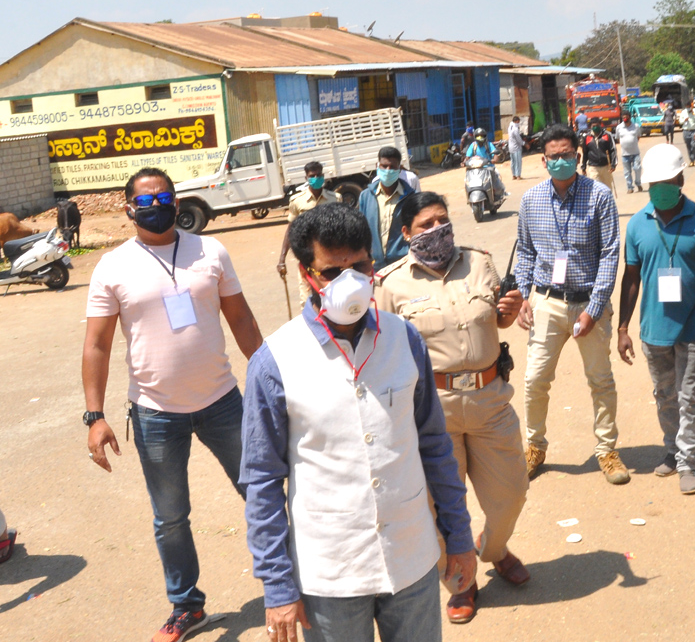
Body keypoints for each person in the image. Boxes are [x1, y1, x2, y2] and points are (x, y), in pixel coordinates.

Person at [241, 203, 473, 642]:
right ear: (306, 273)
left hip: (411, 558)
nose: (349, 281)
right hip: (330, 574)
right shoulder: (275, 362)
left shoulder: (404, 339)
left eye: (361, 265)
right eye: (332, 271)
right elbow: (262, 481)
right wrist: (277, 587)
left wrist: (458, 537)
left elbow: (435, 446)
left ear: (373, 264)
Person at [83, 167, 263, 642]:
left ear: (177, 199)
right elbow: (96, 345)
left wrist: (269, 377)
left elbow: (240, 316)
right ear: (128, 209)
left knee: (261, 491)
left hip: (223, 401)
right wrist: (95, 415)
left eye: (164, 195)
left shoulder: (211, 250)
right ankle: (187, 606)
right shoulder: (112, 266)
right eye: (146, 199)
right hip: (154, 412)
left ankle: (292, 578)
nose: (157, 204)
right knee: (171, 517)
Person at [377, 192, 532, 622]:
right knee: (442, 506)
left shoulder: (479, 261)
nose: (436, 230)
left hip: (490, 401)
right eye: (424, 224)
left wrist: (510, 310)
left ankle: (492, 548)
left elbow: (496, 321)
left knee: (512, 493)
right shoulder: (389, 284)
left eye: (441, 220)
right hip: (433, 411)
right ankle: (461, 582)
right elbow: (384, 349)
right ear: (406, 232)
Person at [513, 124, 629, 485]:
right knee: (534, 380)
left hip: (587, 303)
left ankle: (607, 450)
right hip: (547, 301)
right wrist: (523, 296)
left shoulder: (599, 196)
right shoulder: (530, 200)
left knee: (600, 380)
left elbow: (610, 255)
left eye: (566, 155)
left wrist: (594, 309)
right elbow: (525, 253)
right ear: (543, 160)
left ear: (577, 157)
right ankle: (534, 446)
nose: (560, 161)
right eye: (553, 157)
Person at [616, 144, 695, 495]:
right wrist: (623, 328)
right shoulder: (637, 225)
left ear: (680, 179)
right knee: (664, 394)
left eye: (666, 181)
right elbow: (631, 278)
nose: (660, 189)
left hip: (693, 326)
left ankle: (690, 461)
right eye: (653, 183)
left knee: (691, 397)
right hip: (653, 329)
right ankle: (672, 449)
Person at [277, 161, 340, 300]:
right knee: (307, 301)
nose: (316, 178)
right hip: (307, 258)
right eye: (312, 176)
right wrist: (282, 259)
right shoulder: (297, 201)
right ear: (306, 178)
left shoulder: (335, 199)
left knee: (332, 299)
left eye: (319, 175)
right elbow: (290, 230)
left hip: (330, 258)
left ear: (323, 176)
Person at [358, 146, 417, 270]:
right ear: (377, 166)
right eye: (384, 166)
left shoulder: (410, 197)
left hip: (402, 264)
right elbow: (361, 230)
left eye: (392, 167)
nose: (388, 170)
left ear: (399, 168)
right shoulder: (366, 196)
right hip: (374, 265)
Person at [466, 129, 505, 199]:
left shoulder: (489, 144)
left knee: (494, 178)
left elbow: (495, 154)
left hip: (488, 167)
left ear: (485, 136)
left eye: (482, 136)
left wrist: (494, 159)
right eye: (478, 136)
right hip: (476, 168)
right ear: (475, 137)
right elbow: (467, 157)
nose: (480, 138)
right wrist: (464, 162)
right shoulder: (473, 145)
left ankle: (497, 194)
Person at [581, 119, 618, 193]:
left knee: (607, 189)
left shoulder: (607, 135)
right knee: (595, 188)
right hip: (593, 167)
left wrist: (613, 165)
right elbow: (585, 153)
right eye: (593, 126)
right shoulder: (587, 137)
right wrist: (583, 167)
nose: (595, 127)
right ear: (590, 127)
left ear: (600, 125)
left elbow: (613, 150)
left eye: (597, 126)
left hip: (606, 167)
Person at [615, 109, 644, 194]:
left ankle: (638, 183)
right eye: (623, 117)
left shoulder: (636, 126)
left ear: (630, 117)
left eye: (626, 117)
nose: (625, 119)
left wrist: (632, 143)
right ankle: (630, 187)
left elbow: (638, 137)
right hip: (625, 154)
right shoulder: (619, 127)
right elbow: (618, 138)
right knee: (627, 172)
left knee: (637, 168)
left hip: (635, 153)